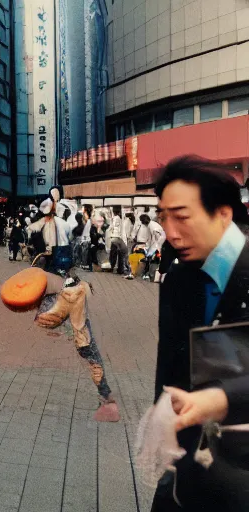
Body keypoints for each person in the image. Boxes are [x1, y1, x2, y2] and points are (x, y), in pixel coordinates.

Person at [151, 156, 249, 511]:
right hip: (189, 463)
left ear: (223, 213)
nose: (171, 233)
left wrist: (222, 399)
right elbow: (170, 366)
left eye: (182, 216)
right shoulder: (179, 280)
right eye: (163, 218)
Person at [109, 206, 133, 279]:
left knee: (117, 253)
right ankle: (119, 268)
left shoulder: (120, 219)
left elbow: (115, 228)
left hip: (117, 238)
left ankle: (116, 268)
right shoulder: (123, 220)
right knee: (120, 254)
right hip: (119, 238)